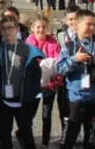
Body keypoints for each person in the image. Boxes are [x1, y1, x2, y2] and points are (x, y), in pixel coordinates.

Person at [56, 9, 95, 149]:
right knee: (68, 138)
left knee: (91, 140)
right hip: (76, 98)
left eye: (94, 24)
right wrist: (74, 59)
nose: (92, 28)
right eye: (88, 24)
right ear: (77, 25)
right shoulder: (69, 46)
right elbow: (60, 70)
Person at [0, 15, 43, 149]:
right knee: (4, 134)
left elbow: (36, 74)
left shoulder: (27, 50)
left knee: (26, 134)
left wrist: (32, 94)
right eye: (4, 29)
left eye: (10, 28)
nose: (7, 32)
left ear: (17, 29)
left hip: (22, 100)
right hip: (4, 99)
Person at [26, 14, 62, 146]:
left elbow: (57, 60)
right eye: (38, 27)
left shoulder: (53, 41)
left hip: (50, 84)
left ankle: (45, 141)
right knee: (30, 113)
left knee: (47, 114)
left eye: (43, 27)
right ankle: (26, 136)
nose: (41, 30)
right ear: (33, 28)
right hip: (33, 84)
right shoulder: (28, 43)